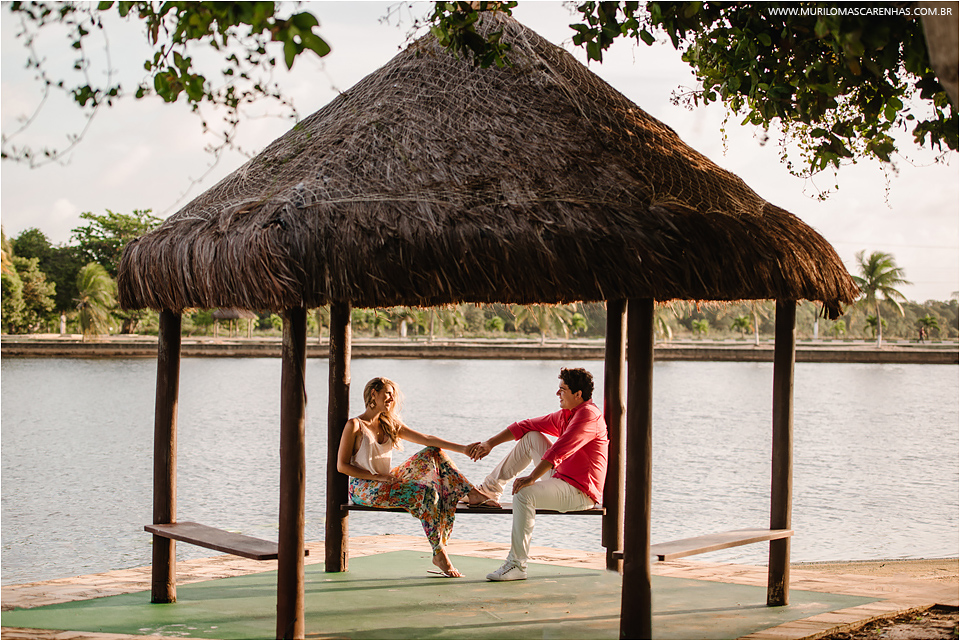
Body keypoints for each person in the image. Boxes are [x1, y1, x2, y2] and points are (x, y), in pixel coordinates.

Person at [463, 367, 608, 581]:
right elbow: (525, 425)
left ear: (578, 394)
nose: (557, 394)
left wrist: (531, 478)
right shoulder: (567, 414)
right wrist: (490, 444)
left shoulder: (588, 416)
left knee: (524, 494)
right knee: (531, 436)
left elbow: (560, 450)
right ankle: (489, 491)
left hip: (580, 491)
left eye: (563, 390)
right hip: (561, 478)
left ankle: (517, 565)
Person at [337, 377, 474, 577]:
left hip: (387, 481)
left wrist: (464, 449)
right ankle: (439, 552)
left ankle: (470, 492)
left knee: (431, 452)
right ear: (373, 393)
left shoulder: (389, 424)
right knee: (425, 493)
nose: (392, 398)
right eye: (388, 393)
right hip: (364, 488)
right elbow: (342, 466)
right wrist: (377, 477)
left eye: (393, 394)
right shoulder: (355, 425)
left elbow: (427, 439)